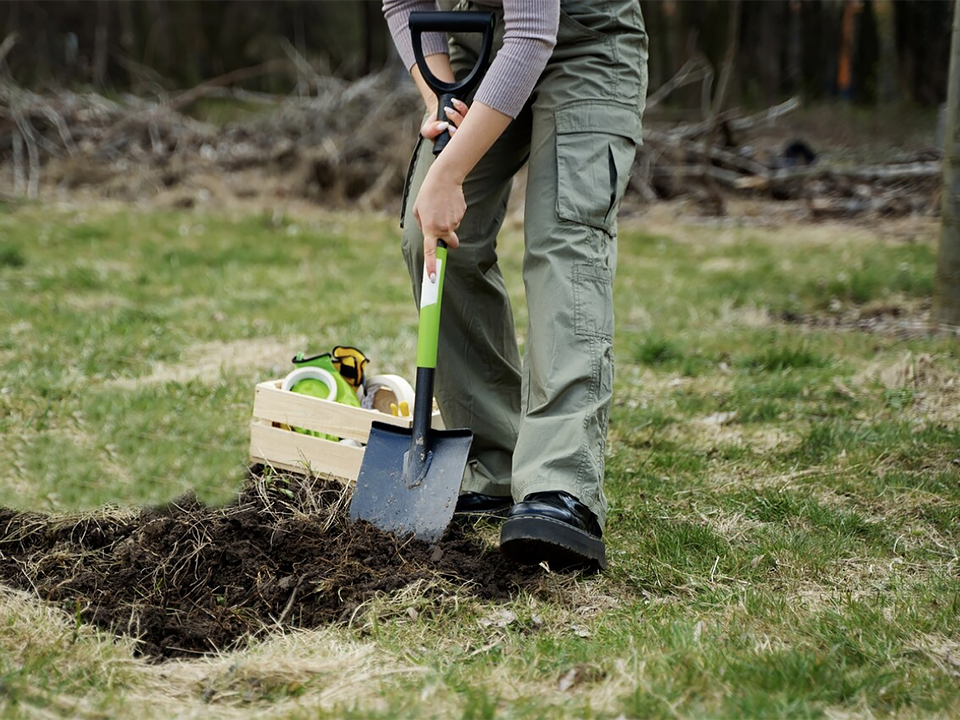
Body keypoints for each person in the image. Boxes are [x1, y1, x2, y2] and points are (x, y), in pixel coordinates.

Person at [382, 0, 648, 570]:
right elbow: (404, 4)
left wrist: (449, 173)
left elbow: (532, 34)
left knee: (565, 241)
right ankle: (492, 459)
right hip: (479, 47)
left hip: (585, 47)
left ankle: (560, 483)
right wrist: (439, 96)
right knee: (425, 235)